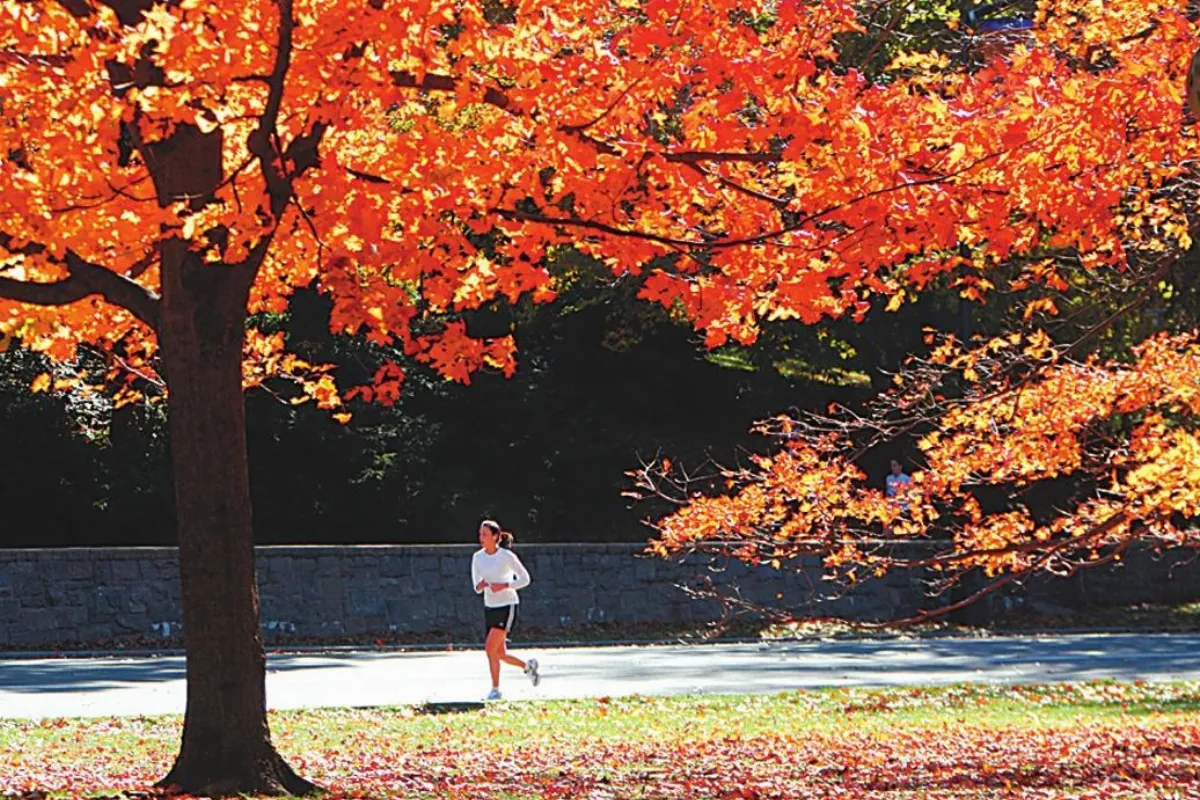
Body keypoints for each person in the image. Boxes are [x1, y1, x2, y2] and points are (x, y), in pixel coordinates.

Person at [471, 519, 540, 700]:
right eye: (480, 534)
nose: (481, 537)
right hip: (490, 607)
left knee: (489, 648)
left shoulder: (506, 556)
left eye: (485, 534)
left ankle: (495, 689)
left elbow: (525, 579)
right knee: (499, 653)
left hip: (507, 606)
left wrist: (505, 585)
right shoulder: (477, 557)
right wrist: (482, 585)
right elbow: (476, 586)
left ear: (495, 537)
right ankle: (528, 667)